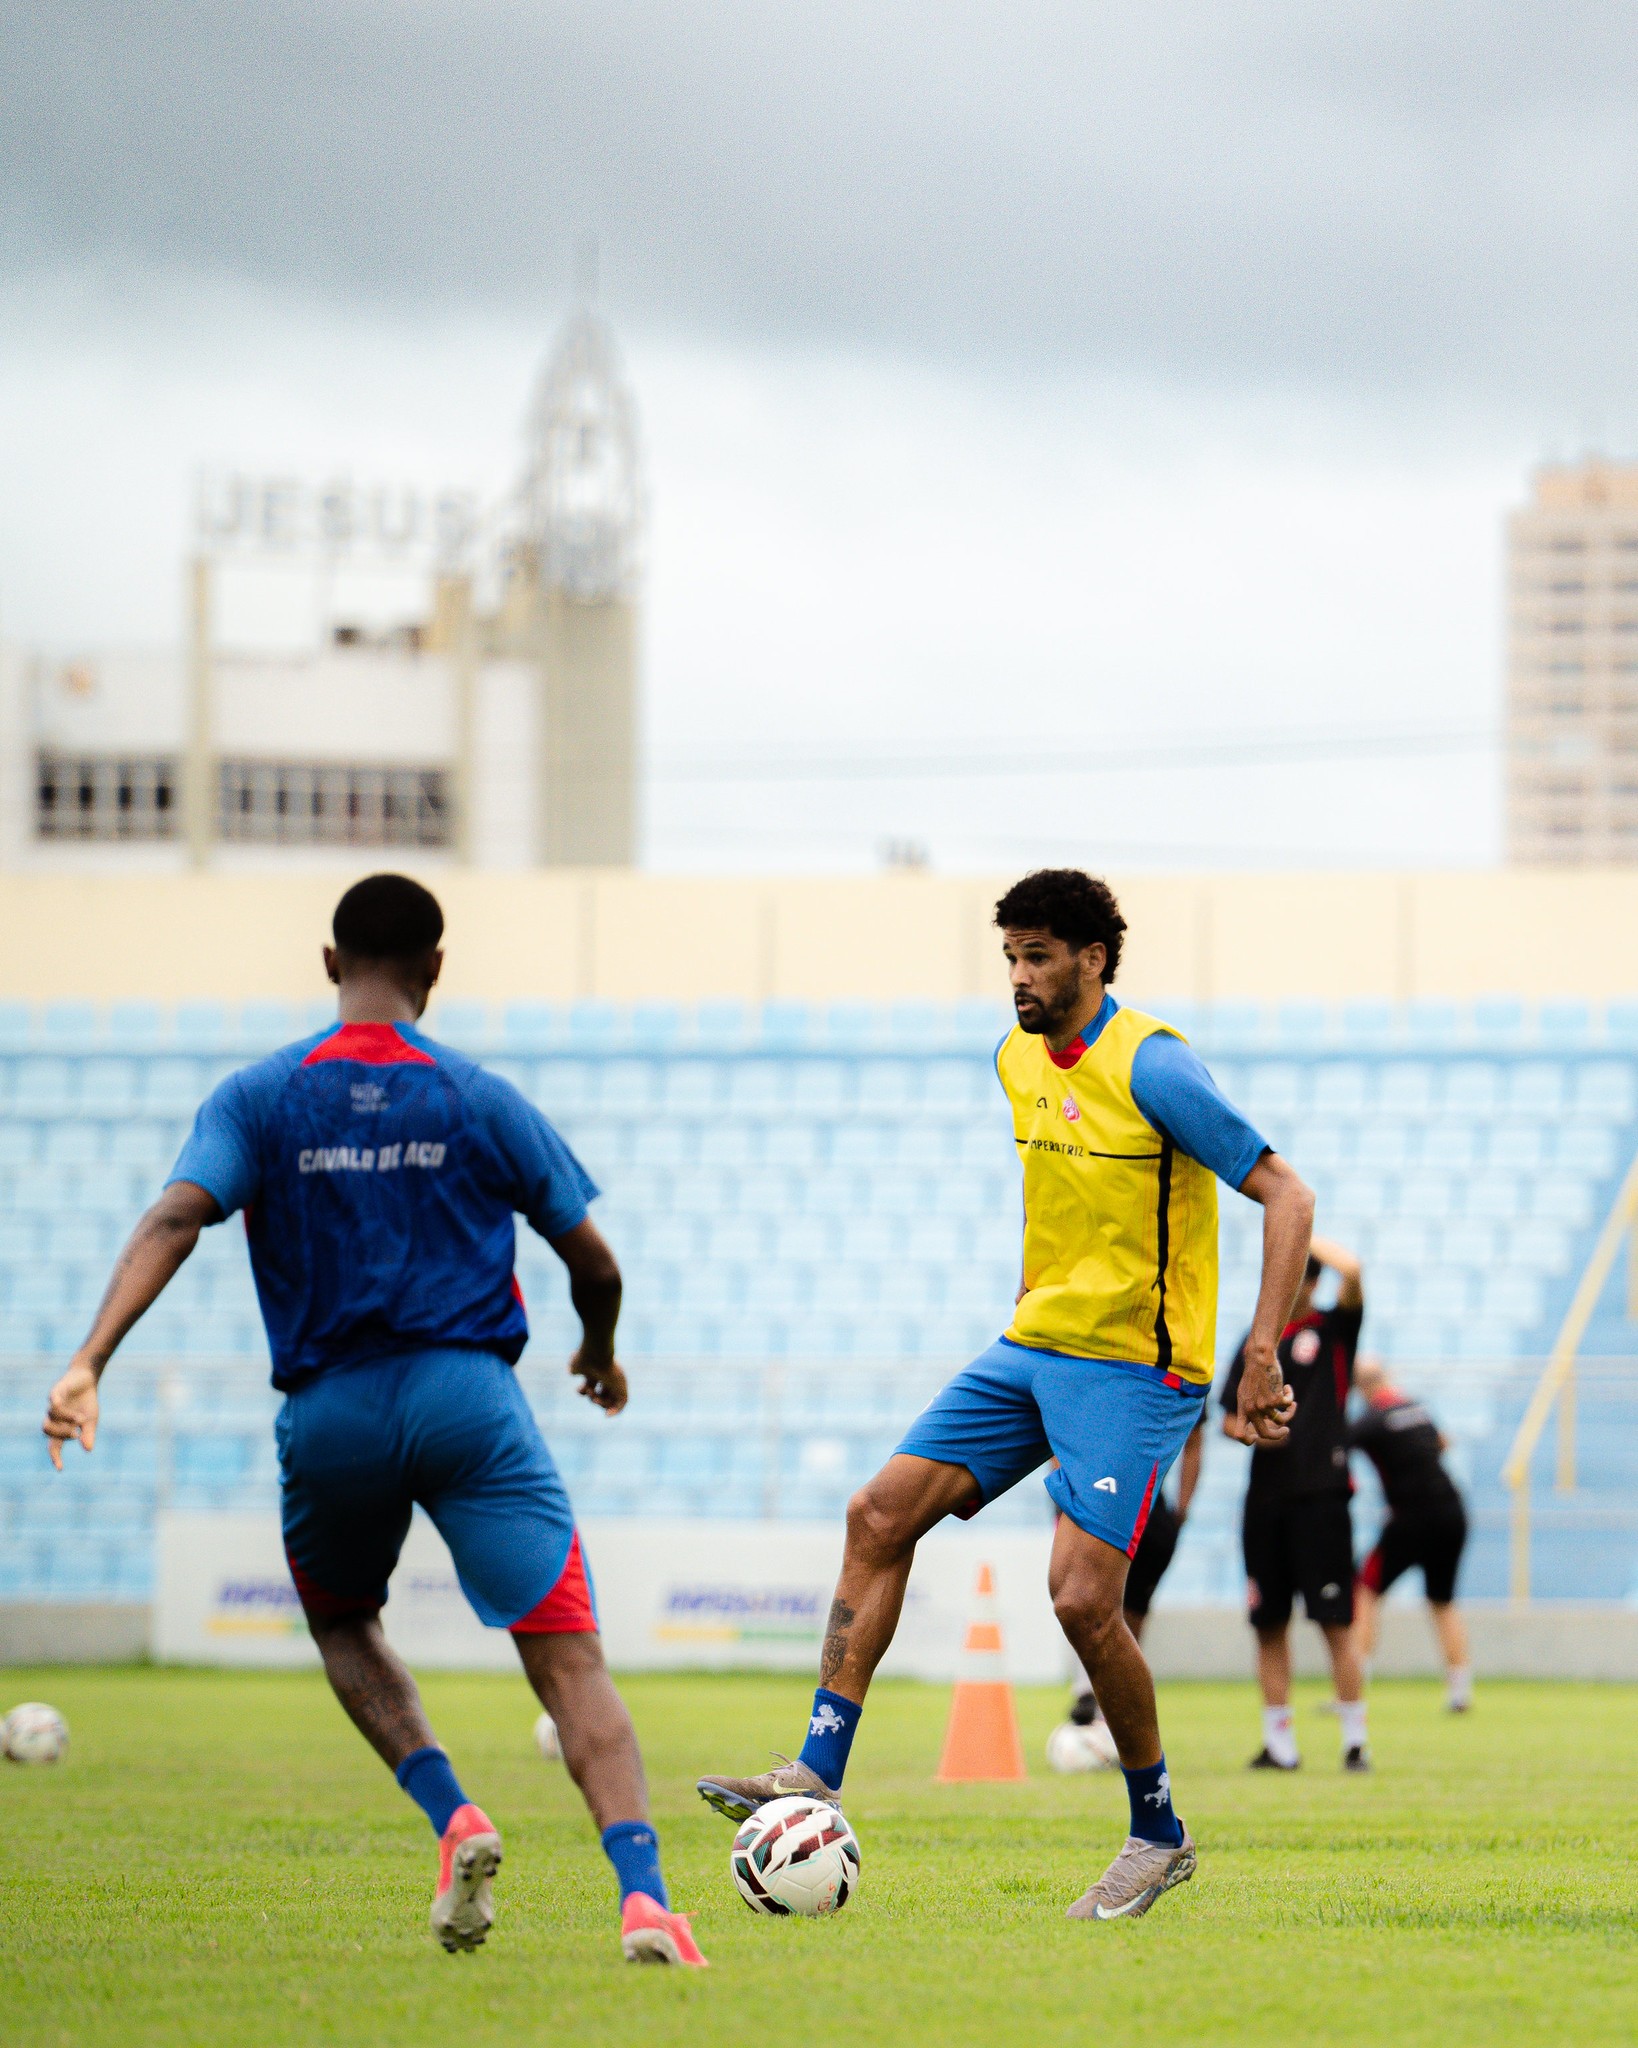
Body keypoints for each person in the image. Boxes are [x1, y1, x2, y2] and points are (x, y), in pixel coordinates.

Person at [42, 874, 706, 1968]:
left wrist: (88, 1360)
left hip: (331, 1410)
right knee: (568, 1660)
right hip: (467, 1404)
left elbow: (176, 1213)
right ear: (436, 969)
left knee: (346, 1623)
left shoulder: (259, 1097)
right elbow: (594, 1260)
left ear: (327, 961)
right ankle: (644, 1902)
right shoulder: (476, 1094)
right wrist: (597, 1348)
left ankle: (453, 1813)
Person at [696, 868, 1314, 1922]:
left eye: (1037, 955)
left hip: (1136, 1366)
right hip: (1034, 1345)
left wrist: (1262, 1352)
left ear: (1094, 959)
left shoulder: (1156, 1067)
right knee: (876, 1514)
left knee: (1080, 1597)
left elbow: (1286, 1192)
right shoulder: (1015, 1056)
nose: (1019, 977)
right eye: (1010, 956)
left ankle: (1157, 1830)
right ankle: (814, 1767)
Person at [1218, 1236, 1368, 1773]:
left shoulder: (1332, 1331)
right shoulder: (1255, 1345)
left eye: (1302, 1275)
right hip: (1266, 1500)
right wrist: (1255, 1432)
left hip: (1322, 1497)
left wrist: (1294, 1228)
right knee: (1269, 1622)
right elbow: (1230, 1418)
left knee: (1334, 1622)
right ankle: (1279, 1743)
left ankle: (1354, 1739)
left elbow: (1352, 1267)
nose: (1298, 1286)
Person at [1063, 1416, 1205, 1737]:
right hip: (1093, 1498)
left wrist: (1180, 1512)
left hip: (1147, 1508)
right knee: (1088, 1601)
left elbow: (1195, 1437)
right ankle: (1090, 1694)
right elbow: (1059, 1430)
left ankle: (1105, 1705)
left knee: (1128, 1614)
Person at [1349, 1359, 1472, 1713]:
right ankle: (1459, 1692)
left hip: (1411, 1517)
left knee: (1366, 1590)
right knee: (1443, 1601)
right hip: (1451, 1510)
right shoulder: (1417, 1408)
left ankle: (1354, 1685)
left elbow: (1337, 1449)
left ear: (1361, 1389)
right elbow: (1443, 1444)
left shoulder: (1371, 1420)